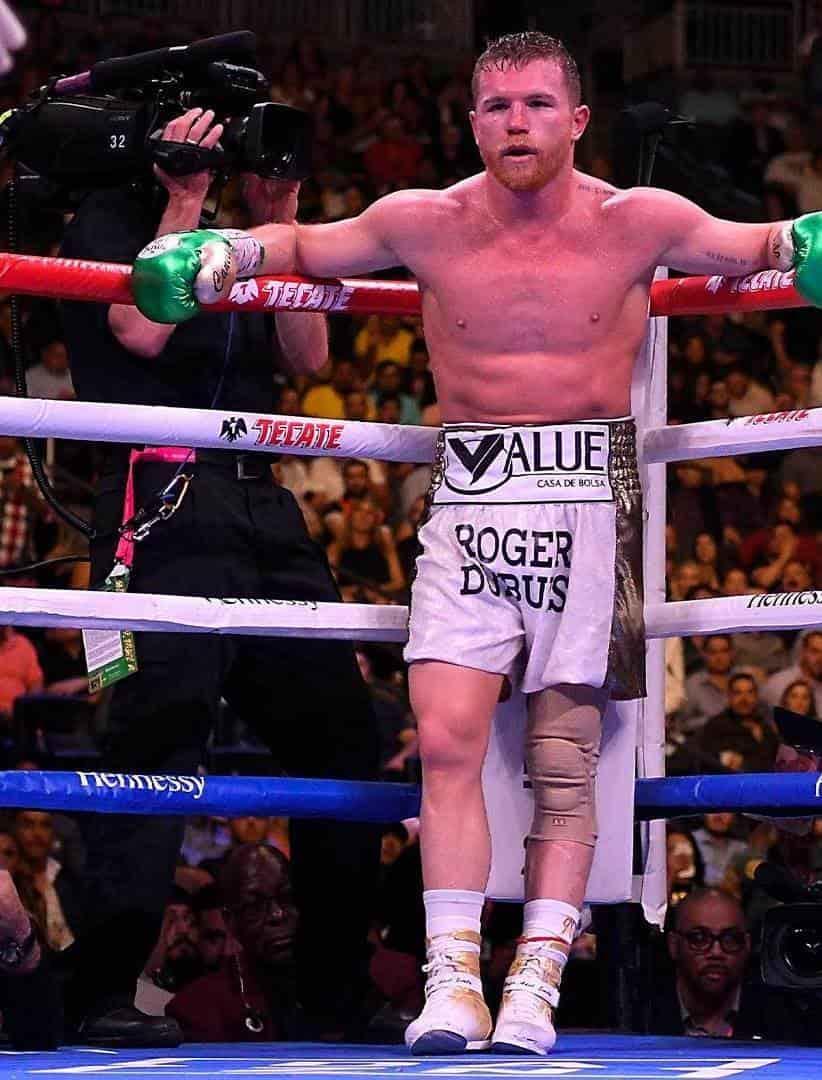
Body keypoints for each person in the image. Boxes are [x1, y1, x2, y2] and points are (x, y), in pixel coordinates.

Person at [135, 31, 822, 1056]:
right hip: (470, 498)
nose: (516, 123)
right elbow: (307, 248)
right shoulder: (426, 219)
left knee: (563, 762)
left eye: (538, 104)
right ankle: (453, 980)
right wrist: (218, 252)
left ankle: (536, 982)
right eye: (497, 106)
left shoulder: (639, 219)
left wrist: (806, 241)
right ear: (471, 122)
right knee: (447, 739)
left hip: (589, 501)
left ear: (576, 119)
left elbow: (758, 243)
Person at [59, 106, 381, 1046]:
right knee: (153, 739)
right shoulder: (109, 220)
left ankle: (334, 992)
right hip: (160, 496)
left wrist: (279, 218)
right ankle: (104, 991)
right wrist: (185, 203)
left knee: (343, 738)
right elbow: (139, 330)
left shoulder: (260, 232)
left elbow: (308, 355)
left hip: (262, 500)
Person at [165, 844, 299, 1042]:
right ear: (230, 921)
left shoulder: (341, 991)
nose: (277, 914)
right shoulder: (198, 1008)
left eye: (287, 897)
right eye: (255, 906)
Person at [649, 887, 804, 1039]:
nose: (716, 953)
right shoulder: (644, 1015)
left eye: (731, 939)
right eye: (699, 938)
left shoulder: (781, 1020)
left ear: (747, 945)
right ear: (674, 945)